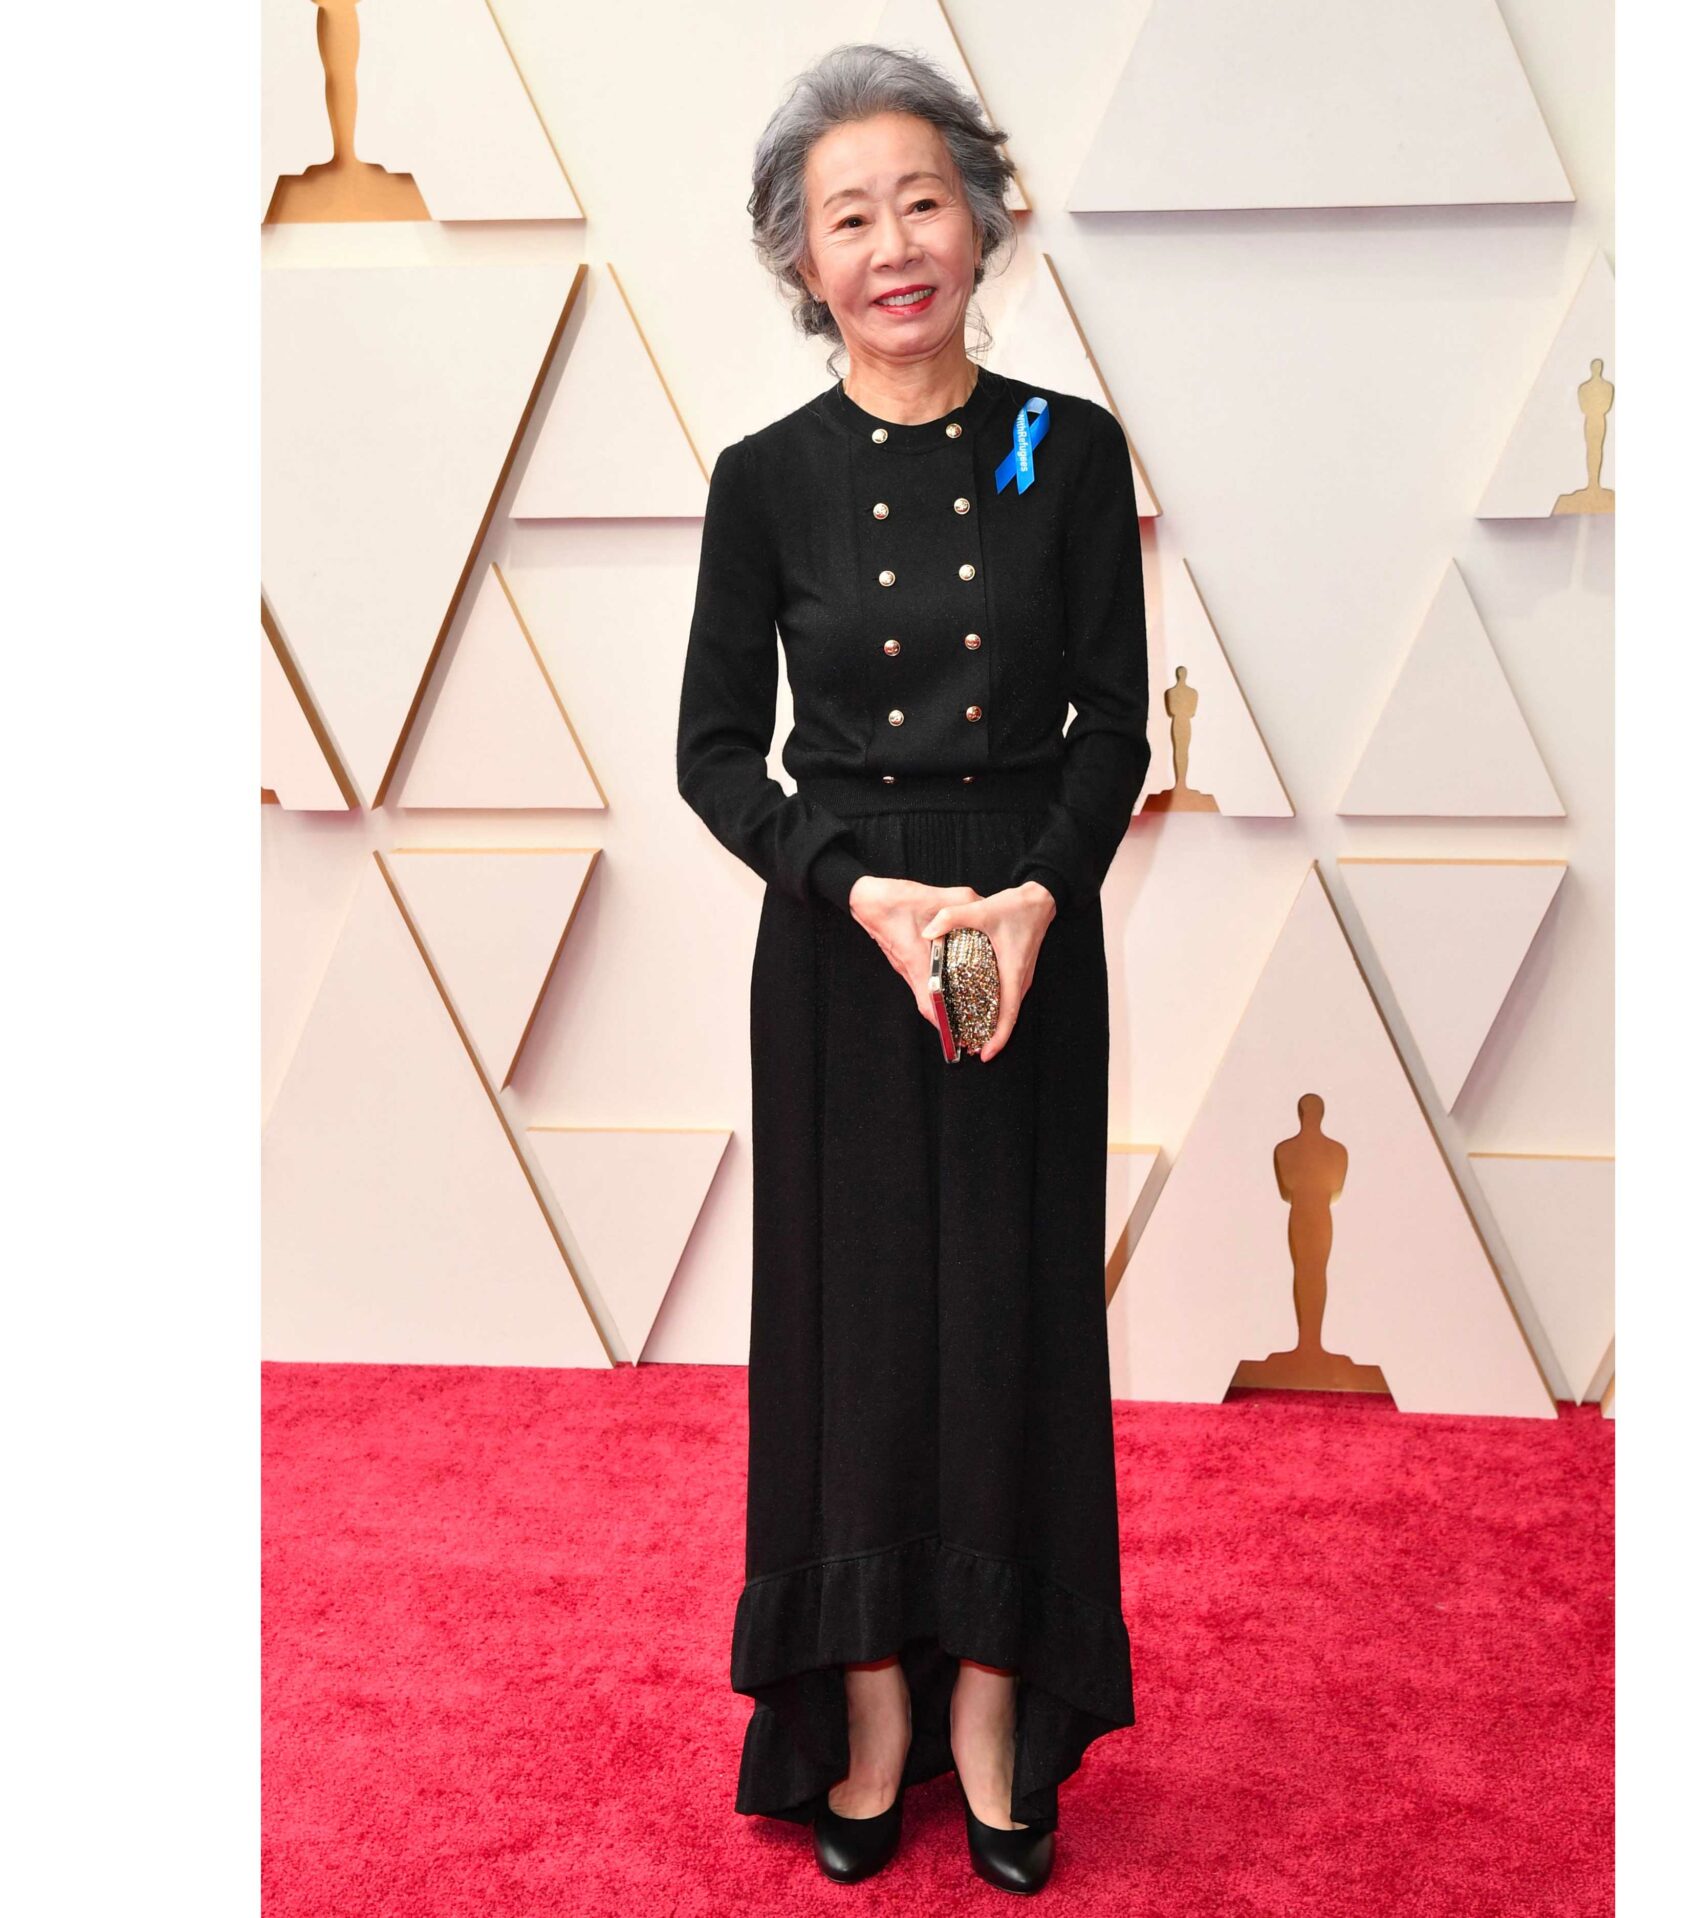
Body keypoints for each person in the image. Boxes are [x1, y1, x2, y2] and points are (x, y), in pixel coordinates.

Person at [675, 43, 1150, 1895]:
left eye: (922, 202)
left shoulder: (1070, 449)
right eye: (849, 217)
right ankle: (869, 1711)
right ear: (804, 261)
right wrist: (854, 887)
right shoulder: (764, 481)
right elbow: (718, 752)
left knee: (1016, 1316)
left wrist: (1033, 899)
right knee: (854, 1327)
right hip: (841, 942)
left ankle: (998, 1712)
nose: (894, 246)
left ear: (984, 218)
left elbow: (1112, 727)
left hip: (1026, 921)